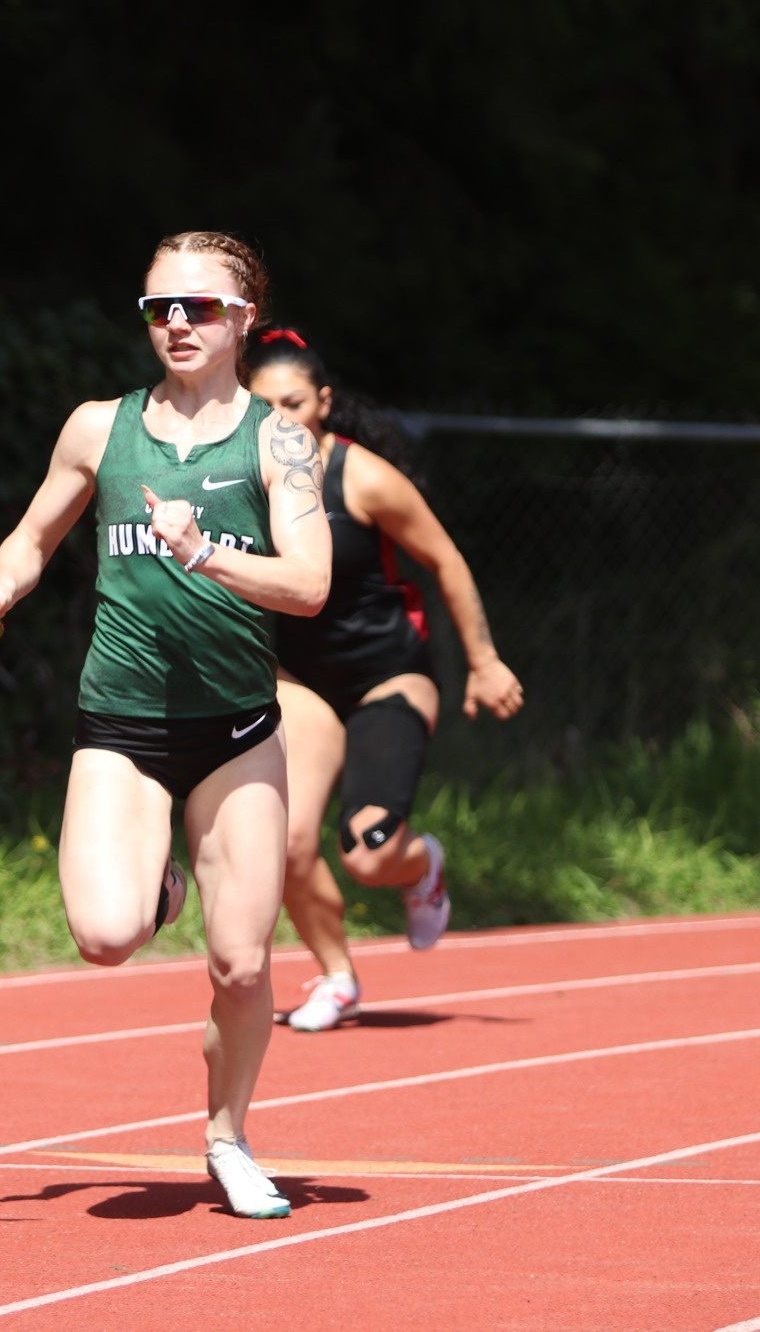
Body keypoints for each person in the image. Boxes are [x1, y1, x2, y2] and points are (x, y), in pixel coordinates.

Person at [0, 233, 330, 1219]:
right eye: (158, 307)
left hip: (237, 728)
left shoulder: (275, 441)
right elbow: (32, 537)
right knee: (104, 934)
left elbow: (309, 583)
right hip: (119, 720)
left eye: (198, 308)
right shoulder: (97, 428)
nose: (175, 324)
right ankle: (162, 883)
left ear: (243, 318)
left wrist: (205, 555)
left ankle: (227, 1135)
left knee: (241, 964)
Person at [245, 329, 524, 1033]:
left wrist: (485, 660)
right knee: (287, 844)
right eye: (263, 407)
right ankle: (338, 977)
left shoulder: (364, 477)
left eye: (294, 402)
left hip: (388, 676)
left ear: (325, 402)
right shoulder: (244, 480)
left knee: (368, 854)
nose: (281, 418)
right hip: (301, 681)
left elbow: (447, 560)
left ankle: (421, 862)